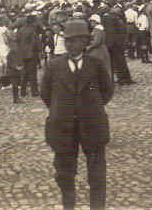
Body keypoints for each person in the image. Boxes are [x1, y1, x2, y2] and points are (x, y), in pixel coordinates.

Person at [40, 18, 114, 210]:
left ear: (85, 42)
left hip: (93, 124)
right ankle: (68, 206)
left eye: (75, 40)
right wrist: (62, 109)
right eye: (68, 40)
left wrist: (89, 108)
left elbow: (107, 91)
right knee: (64, 174)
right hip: (63, 127)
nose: (70, 44)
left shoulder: (95, 64)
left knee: (97, 174)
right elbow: (46, 94)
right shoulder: (54, 66)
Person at [17, 12, 41, 98]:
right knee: (32, 73)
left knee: (24, 72)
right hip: (31, 53)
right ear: (32, 22)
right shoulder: (33, 30)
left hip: (22, 54)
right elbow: (35, 43)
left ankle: (23, 91)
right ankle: (34, 91)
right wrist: (39, 50)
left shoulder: (21, 30)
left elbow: (18, 41)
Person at [86, 14, 112, 79]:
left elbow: (97, 42)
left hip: (98, 51)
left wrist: (88, 47)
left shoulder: (98, 29)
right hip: (100, 49)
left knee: (99, 67)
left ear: (96, 21)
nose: (91, 23)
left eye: (92, 21)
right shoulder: (98, 28)